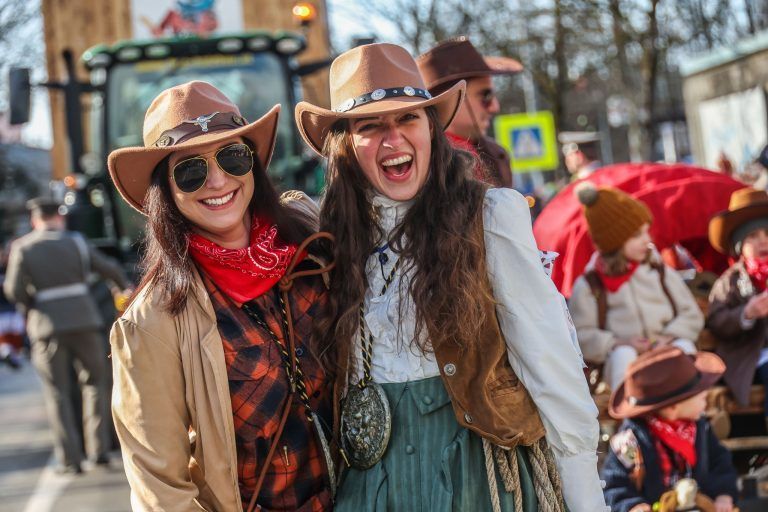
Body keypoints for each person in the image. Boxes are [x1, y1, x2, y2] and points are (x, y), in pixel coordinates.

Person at [295, 42, 605, 511]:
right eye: (371, 126)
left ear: (432, 129)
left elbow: (551, 364)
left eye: (408, 119)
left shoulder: (489, 216)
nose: (393, 139)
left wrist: (585, 499)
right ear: (346, 145)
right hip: (375, 485)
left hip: (476, 473)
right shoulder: (332, 239)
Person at [107, 82, 334, 511]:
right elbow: (160, 490)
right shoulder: (151, 323)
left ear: (252, 163)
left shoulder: (312, 239)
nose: (217, 180)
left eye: (232, 157)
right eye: (190, 170)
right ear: (165, 191)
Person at [3, 197, 131, 474]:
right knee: (96, 384)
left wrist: (32, 304)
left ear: (35, 220)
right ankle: (98, 450)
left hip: (46, 326)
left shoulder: (23, 248)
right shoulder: (77, 242)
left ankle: (71, 459)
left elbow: (13, 290)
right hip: (86, 321)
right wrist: (125, 289)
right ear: (58, 218)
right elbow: (111, 269)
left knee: (57, 392)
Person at [569, 184, 704, 390]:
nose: (647, 240)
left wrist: (668, 336)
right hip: (624, 360)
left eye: (646, 232)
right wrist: (616, 343)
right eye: (636, 235)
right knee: (624, 356)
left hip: (664, 347)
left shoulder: (658, 271)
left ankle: (692, 410)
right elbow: (581, 334)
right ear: (614, 241)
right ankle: (631, 416)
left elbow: (691, 313)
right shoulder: (590, 284)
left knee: (683, 348)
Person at [602, 346, 738, 512]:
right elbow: (614, 484)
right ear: (672, 408)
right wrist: (632, 505)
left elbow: (720, 462)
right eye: (701, 396)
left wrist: (723, 494)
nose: (706, 399)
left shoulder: (700, 428)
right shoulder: (630, 442)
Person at [416, 36, 522, 188]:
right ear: (453, 97)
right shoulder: (423, 163)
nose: (494, 107)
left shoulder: (494, 154)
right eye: (486, 96)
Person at [706, 187, 768, 429]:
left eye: (767, 233)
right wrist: (747, 313)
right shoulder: (731, 280)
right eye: (753, 236)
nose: (763, 240)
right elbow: (718, 320)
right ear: (740, 245)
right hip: (752, 354)